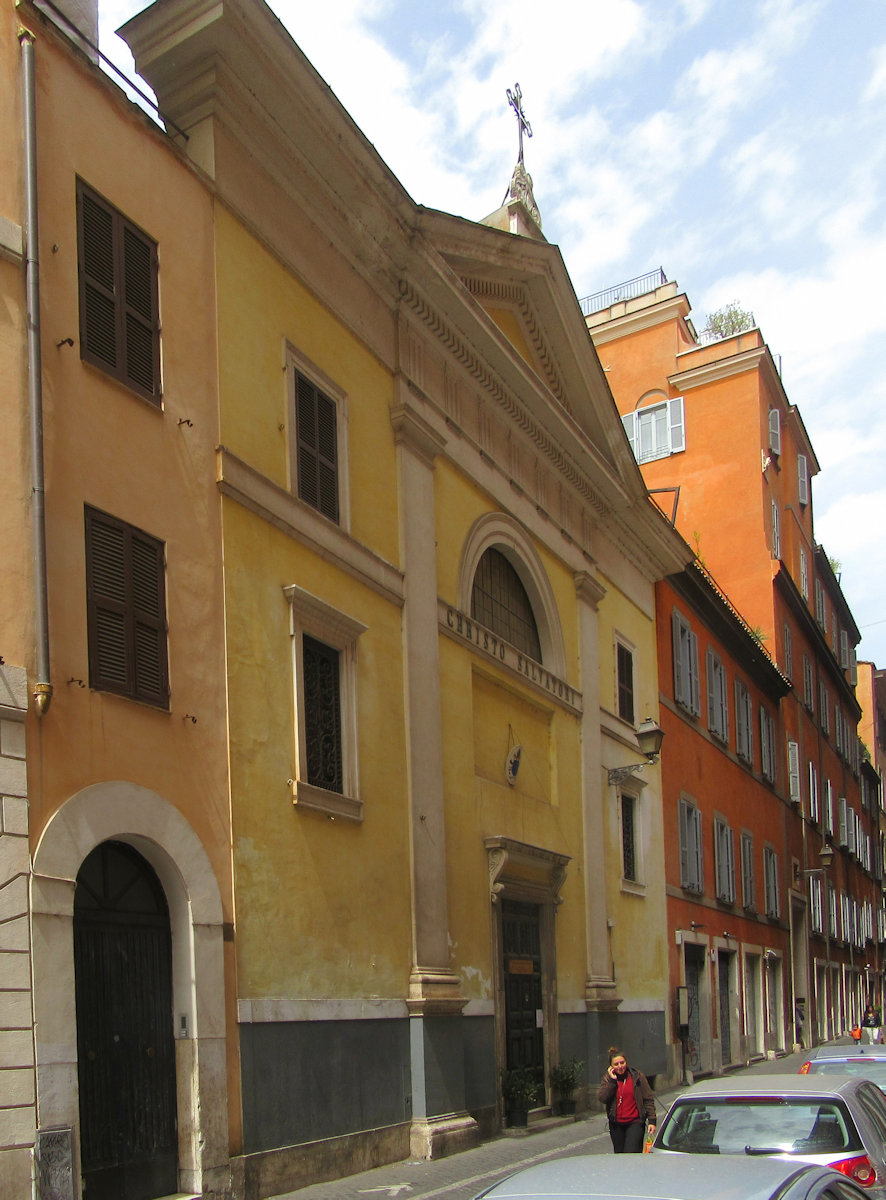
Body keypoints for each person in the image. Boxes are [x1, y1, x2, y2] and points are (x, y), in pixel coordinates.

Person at [597, 1046, 656, 1153]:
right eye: (616, 1064)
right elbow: (602, 1098)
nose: (620, 1066)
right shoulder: (608, 1079)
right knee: (620, 1156)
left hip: (635, 1122)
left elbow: (648, 1099)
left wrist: (652, 1120)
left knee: (631, 1153)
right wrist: (612, 1082)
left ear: (626, 1062)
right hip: (616, 1125)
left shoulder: (637, 1077)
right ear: (611, 1066)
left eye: (622, 1063)